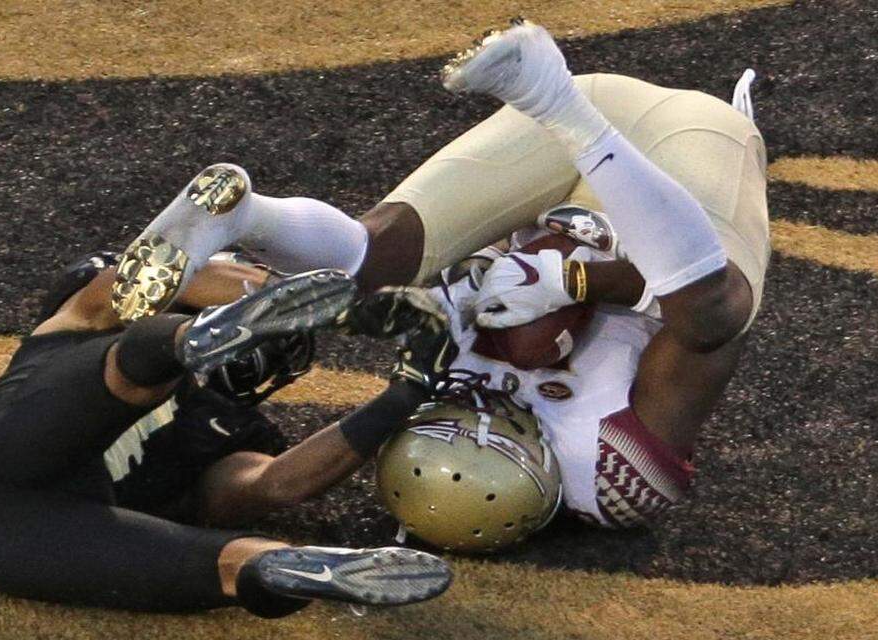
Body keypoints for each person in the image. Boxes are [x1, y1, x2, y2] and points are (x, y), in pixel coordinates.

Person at [112, 17, 767, 532]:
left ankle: (249, 217)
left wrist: (469, 290)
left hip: (566, 148)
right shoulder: (614, 471)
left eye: (447, 415)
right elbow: (714, 328)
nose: (478, 404)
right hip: (684, 148)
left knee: (373, 264)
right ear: (536, 475)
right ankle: (564, 108)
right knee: (713, 310)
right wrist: (580, 284)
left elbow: (385, 315)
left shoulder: (434, 392)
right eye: (494, 429)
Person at [0, 252, 453, 623]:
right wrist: (403, 390)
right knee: (220, 561)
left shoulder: (223, 421)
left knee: (228, 561)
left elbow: (275, 483)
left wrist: (332, 313)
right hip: (24, 496)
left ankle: (281, 566)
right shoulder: (85, 318)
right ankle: (273, 563)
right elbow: (277, 484)